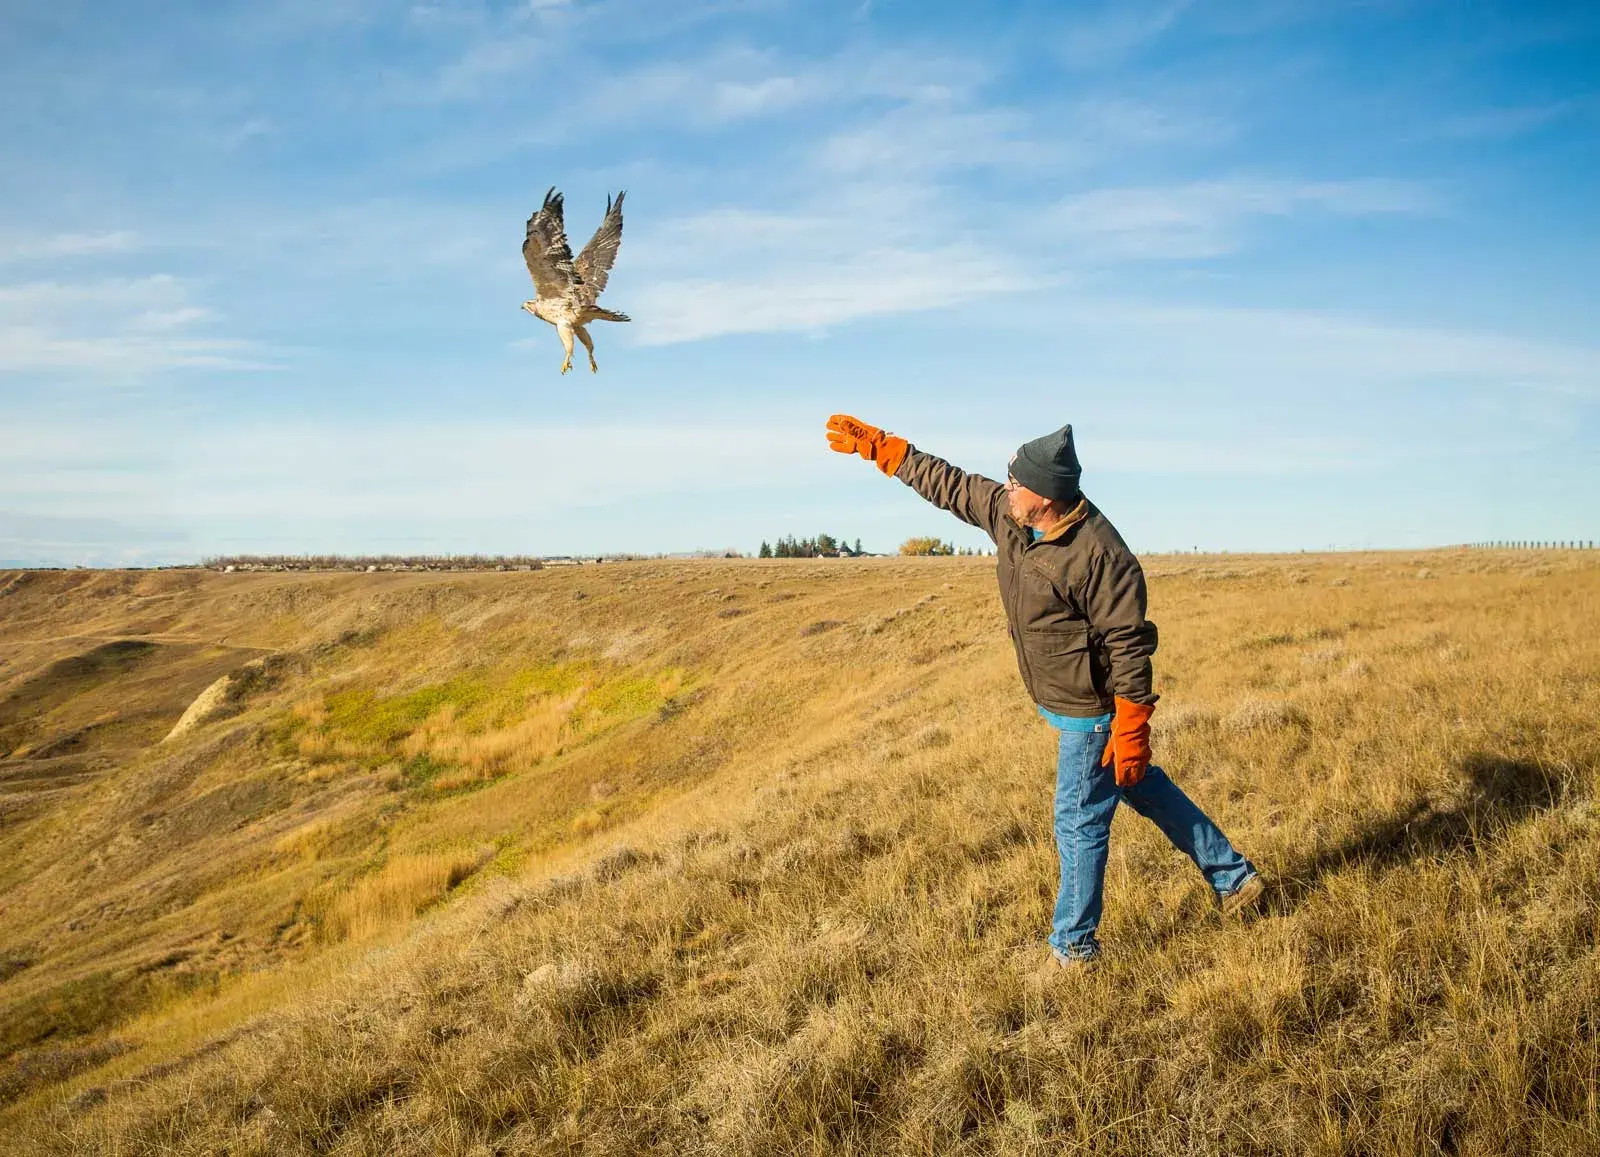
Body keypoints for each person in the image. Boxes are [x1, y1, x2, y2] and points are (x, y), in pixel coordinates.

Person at [825, 414, 1265, 970]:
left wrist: (1131, 727)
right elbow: (952, 484)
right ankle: (1235, 878)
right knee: (1140, 787)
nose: (1006, 489)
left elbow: (1129, 646)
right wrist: (887, 451)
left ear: (1048, 497)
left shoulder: (1101, 555)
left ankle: (1074, 949)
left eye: (1017, 483)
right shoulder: (1011, 515)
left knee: (1078, 822)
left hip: (1092, 709)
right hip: (1065, 697)